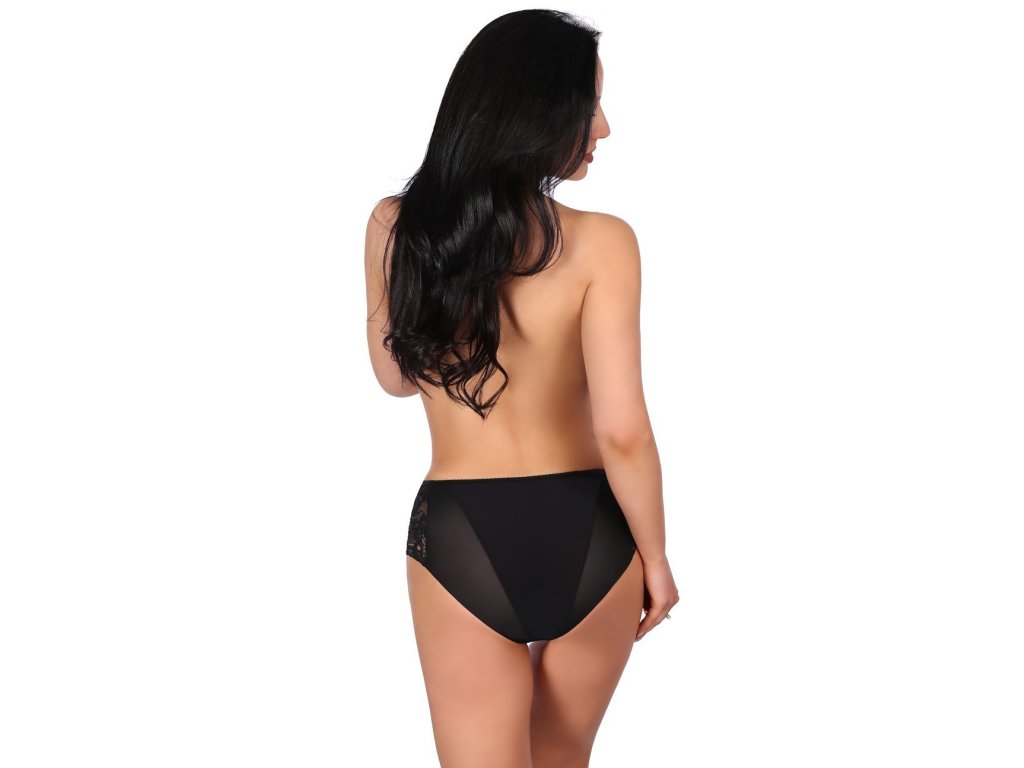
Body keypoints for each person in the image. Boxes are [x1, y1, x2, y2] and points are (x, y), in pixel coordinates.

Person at [363, 10, 679, 767]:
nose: (603, 127)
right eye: (588, 104)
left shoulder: (397, 226)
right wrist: (657, 560)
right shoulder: (604, 242)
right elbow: (623, 430)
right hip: (592, 532)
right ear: (533, 111)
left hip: (462, 533)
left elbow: (395, 378)